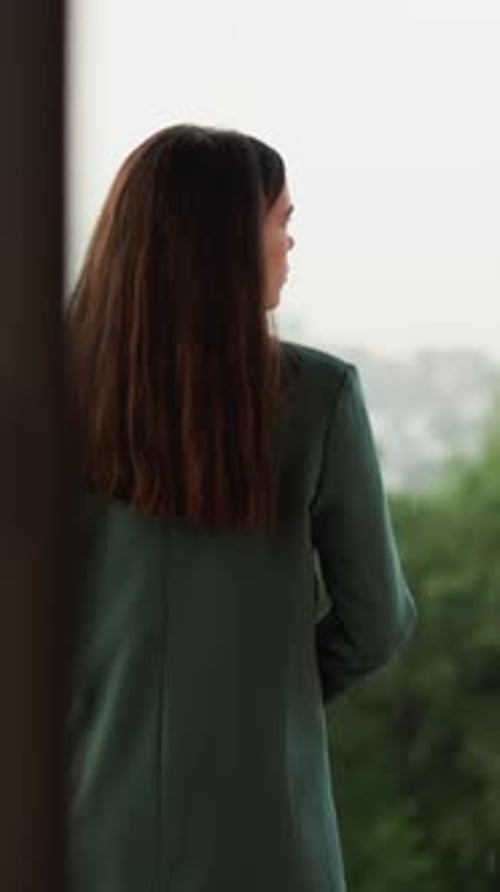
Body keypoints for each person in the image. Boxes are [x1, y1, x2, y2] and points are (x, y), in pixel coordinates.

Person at [64, 123, 416, 892]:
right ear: (226, 244)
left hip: (74, 833)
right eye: (281, 220)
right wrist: (265, 691)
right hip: (268, 843)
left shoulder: (43, 392)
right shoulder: (318, 397)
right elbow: (377, 623)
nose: (291, 244)